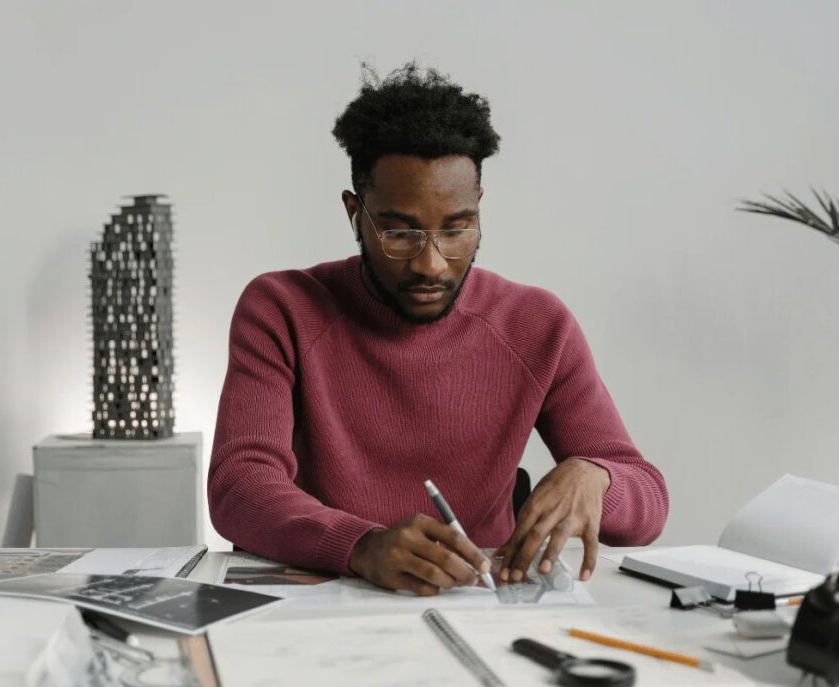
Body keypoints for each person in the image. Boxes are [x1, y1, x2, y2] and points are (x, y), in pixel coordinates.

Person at [209, 63, 668, 596]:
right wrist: (360, 546)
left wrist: (597, 477)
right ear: (355, 213)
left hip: (476, 600)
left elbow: (650, 503)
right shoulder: (282, 308)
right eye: (400, 232)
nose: (431, 264)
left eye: (457, 228)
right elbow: (240, 487)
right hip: (326, 595)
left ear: (478, 211)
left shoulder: (537, 325)